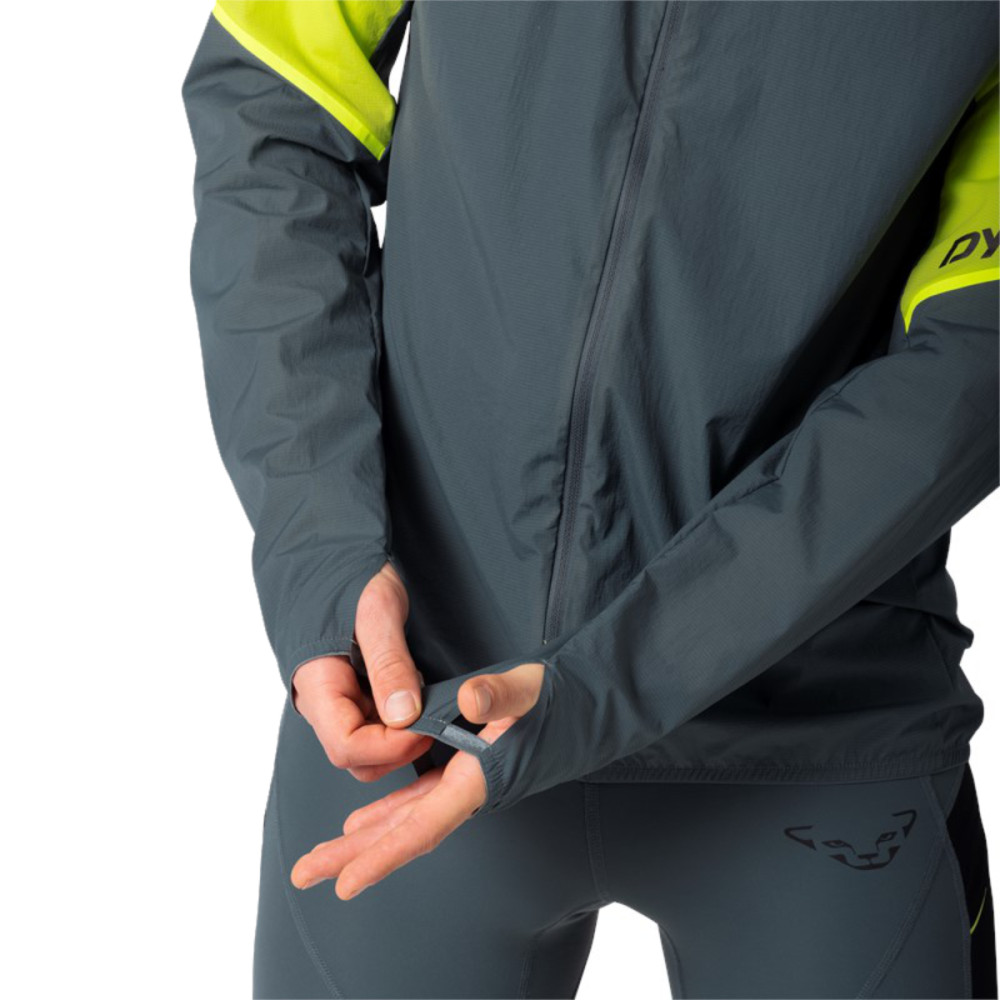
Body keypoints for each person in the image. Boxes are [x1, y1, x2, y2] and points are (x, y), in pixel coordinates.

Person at [182, 2, 999, 996]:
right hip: (412, 711)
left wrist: (608, 679)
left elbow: (970, 362)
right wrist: (322, 540)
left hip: (815, 736)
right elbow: (273, 94)